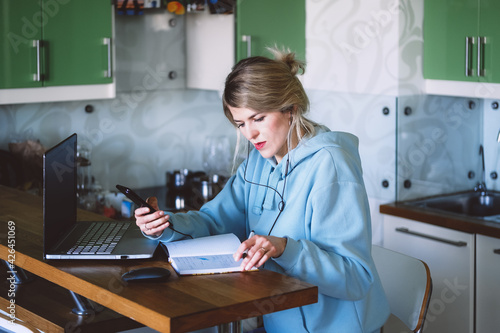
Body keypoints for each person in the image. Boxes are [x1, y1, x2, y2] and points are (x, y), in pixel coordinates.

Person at [135, 47, 390, 333]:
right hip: (280, 323)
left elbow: (355, 278)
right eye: (240, 123)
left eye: (258, 119)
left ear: (291, 108)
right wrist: (165, 225)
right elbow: (213, 221)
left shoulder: (332, 166)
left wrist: (284, 249)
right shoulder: (258, 163)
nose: (249, 134)